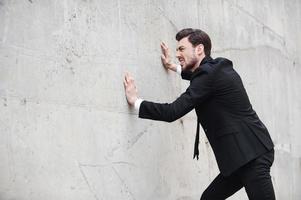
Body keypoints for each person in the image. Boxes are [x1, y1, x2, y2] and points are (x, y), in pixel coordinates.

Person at [123, 28, 275, 200]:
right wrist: (173, 66)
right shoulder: (216, 68)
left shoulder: (208, 74)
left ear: (199, 49)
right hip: (241, 157)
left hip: (252, 156)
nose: (178, 53)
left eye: (182, 49)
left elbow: (172, 112)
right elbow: (199, 78)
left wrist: (136, 102)